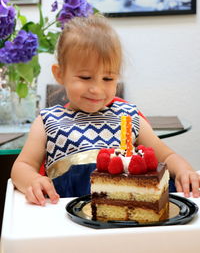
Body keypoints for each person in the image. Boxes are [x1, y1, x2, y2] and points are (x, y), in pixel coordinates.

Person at [11, 15, 200, 206]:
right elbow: (23, 166)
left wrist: (184, 170)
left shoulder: (129, 116)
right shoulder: (48, 121)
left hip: (131, 216)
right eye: (85, 77)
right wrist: (32, 180)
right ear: (60, 74)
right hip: (70, 222)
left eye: (108, 79)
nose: (96, 89)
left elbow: (167, 156)